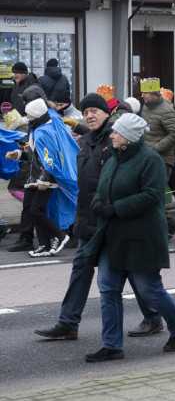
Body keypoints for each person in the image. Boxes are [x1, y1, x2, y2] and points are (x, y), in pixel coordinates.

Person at [35, 94, 164, 341]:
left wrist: (116, 211)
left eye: (94, 110)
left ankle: (154, 316)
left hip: (111, 220)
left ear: (106, 113)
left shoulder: (117, 140)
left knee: (128, 270)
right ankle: (68, 322)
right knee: (81, 269)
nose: (89, 115)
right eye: (85, 112)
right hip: (88, 218)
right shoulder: (86, 141)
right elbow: (84, 184)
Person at [81, 113, 175, 362]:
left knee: (149, 289)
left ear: (129, 137)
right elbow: (102, 186)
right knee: (108, 289)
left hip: (141, 237)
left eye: (116, 132)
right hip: (113, 236)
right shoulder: (112, 158)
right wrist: (98, 202)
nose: (111, 135)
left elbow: (152, 196)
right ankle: (112, 345)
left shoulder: (150, 160)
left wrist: (114, 208)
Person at [4, 99, 75, 257]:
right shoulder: (36, 129)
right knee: (31, 209)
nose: (26, 116)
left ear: (36, 114)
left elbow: (50, 159)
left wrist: (44, 180)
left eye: (28, 113)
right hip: (32, 178)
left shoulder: (44, 131)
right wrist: (18, 155)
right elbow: (35, 155)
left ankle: (59, 235)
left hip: (44, 179)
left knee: (37, 211)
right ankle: (44, 244)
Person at [138, 87, 175, 235]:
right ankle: (165, 225)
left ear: (154, 94)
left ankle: (170, 225)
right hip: (147, 157)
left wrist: (155, 147)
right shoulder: (145, 107)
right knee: (148, 194)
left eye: (145, 93)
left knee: (155, 195)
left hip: (162, 160)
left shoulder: (166, 110)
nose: (142, 95)